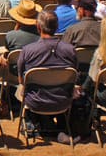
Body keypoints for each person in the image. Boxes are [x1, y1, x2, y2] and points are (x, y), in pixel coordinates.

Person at [17, 11, 77, 141]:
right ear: (56, 27)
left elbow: (21, 81)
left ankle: (32, 122)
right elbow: (74, 76)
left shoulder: (28, 50)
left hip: (36, 102)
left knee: (19, 88)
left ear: (38, 27)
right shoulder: (70, 50)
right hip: (63, 101)